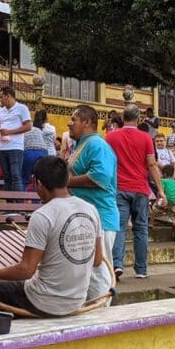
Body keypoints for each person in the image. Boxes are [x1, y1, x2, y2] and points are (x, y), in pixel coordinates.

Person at [0, 157, 103, 316]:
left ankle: (9, 329)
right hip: (76, 300)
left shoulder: (42, 215)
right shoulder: (91, 209)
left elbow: (25, 271)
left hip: (44, 303)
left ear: (38, 184)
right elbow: (98, 259)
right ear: (66, 180)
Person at [107, 105, 166, 279]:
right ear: (139, 119)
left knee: (119, 227)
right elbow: (151, 164)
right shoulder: (146, 138)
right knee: (141, 228)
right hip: (140, 188)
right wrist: (160, 190)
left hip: (118, 187)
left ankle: (117, 264)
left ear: (122, 118)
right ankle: (141, 269)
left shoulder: (111, 137)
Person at [67, 105, 120, 282]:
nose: (69, 123)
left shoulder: (97, 144)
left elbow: (101, 176)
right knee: (88, 272)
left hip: (101, 218)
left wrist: (64, 182)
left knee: (99, 272)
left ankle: (103, 308)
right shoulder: (83, 144)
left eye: (74, 119)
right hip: (86, 218)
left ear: (87, 122)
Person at [0, 86, 31, 192]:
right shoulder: (1, 111)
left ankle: (18, 206)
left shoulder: (22, 108)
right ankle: (9, 206)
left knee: (15, 175)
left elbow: (28, 126)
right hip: (2, 147)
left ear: (8, 96)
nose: (0, 100)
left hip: (15, 147)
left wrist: (9, 132)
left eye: (1, 97)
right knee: (6, 177)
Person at [22, 112, 52, 188]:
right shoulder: (38, 129)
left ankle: (20, 199)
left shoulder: (22, 128)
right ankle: (38, 199)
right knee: (40, 180)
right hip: (43, 152)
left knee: (24, 178)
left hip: (29, 152)